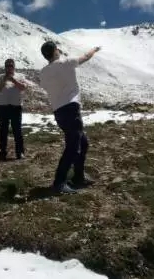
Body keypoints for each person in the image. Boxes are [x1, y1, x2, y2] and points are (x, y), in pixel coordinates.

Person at [39, 41, 100, 194]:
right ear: (55, 51)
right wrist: (94, 49)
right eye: (57, 49)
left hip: (59, 112)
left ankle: (79, 176)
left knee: (82, 143)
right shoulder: (66, 62)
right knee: (73, 147)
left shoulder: (43, 73)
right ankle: (59, 183)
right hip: (71, 109)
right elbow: (85, 57)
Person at [0, 58, 27, 160]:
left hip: (16, 107)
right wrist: (4, 80)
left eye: (11, 66)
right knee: (3, 130)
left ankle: (20, 152)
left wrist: (14, 81)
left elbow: (23, 88)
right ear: (5, 67)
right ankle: (3, 152)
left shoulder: (20, 76)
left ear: (14, 66)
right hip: (3, 107)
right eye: (7, 66)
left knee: (17, 130)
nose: (9, 68)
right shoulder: (0, 77)